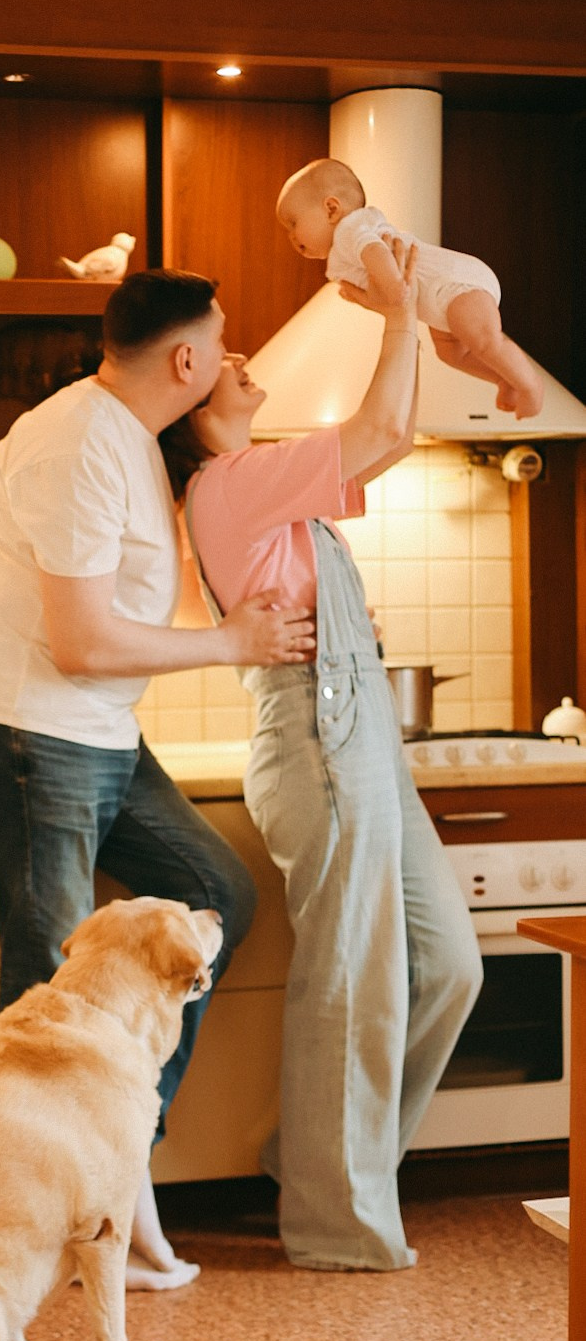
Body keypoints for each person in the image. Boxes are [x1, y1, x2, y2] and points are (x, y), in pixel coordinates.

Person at [0, 269, 316, 1291]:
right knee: (45, 986)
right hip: (28, 728)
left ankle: (117, 1163)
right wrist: (233, 642)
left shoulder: (137, 434)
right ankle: (27, 1236)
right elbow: (83, 641)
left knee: (213, 896)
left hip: (92, 729)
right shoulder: (76, 444)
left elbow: (232, 493)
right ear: (184, 357)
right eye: (221, 342)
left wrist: (232, 420)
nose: (234, 357)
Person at [158, 239, 483, 1272]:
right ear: (188, 405)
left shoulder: (269, 483)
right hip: (317, 739)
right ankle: (334, 1218)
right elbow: (382, 429)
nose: (239, 359)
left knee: (445, 966)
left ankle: (318, 1160)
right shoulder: (230, 482)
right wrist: (399, 310)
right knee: (353, 981)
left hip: (361, 736)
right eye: (223, 357)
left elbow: (384, 443)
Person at [276, 157, 544, 419]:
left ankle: (530, 385)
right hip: (441, 300)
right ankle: (504, 377)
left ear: (331, 209)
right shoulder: (345, 242)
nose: (291, 236)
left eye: (293, 223)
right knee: (451, 353)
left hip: (455, 283)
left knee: (485, 341)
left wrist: (394, 286)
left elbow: (375, 250)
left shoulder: (349, 229)